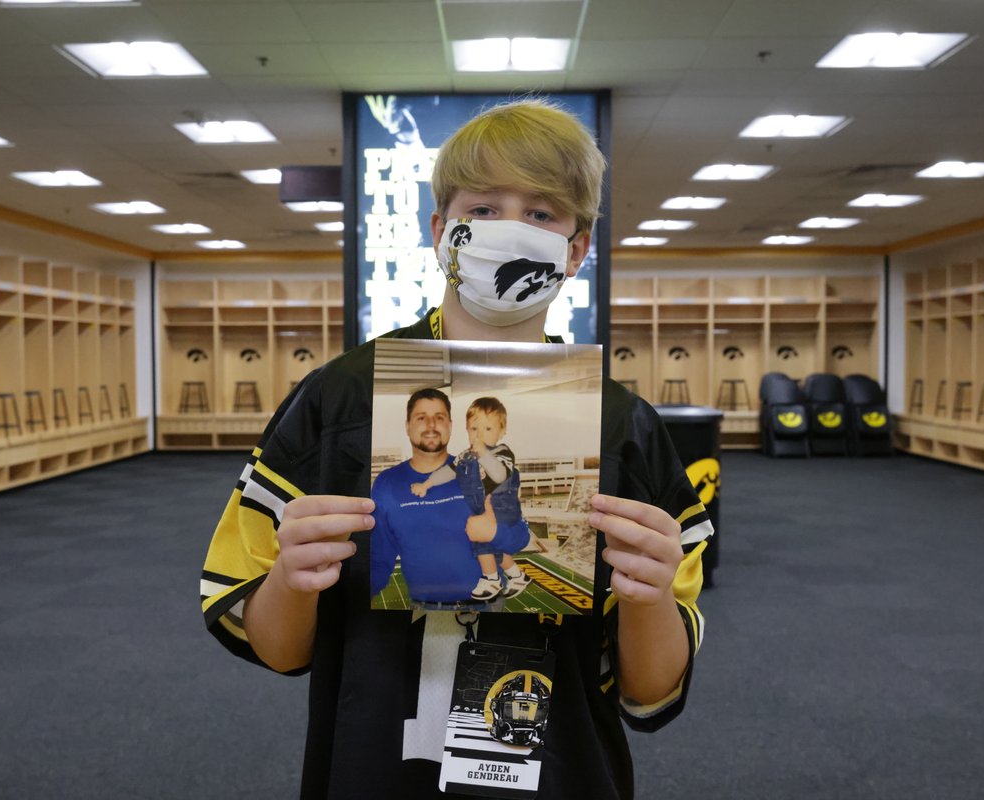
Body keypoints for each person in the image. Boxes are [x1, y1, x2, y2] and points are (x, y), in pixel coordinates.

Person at [200, 98, 714, 800]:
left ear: (577, 248)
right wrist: (292, 577)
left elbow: (649, 692)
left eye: (541, 213)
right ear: (441, 230)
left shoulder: (622, 428)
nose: (511, 229)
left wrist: (651, 595)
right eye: (485, 206)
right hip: (373, 768)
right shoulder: (341, 401)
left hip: (561, 772)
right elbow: (275, 647)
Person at [369, 388, 495, 606]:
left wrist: (497, 528)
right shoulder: (387, 484)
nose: (431, 425)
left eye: (439, 417)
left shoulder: (479, 470)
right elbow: (379, 558)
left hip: (489, 605)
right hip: (424, 608)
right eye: (421, 418)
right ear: (408, 426)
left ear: (450, 426)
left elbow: (515, 529)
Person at [411, 396, 532, 601]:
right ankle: (517, 576)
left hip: (505, 514)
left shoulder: (502, 453)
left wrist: (484, 454)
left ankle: (491, 579)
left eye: (488, 429)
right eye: (474, 429)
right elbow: (448, 472)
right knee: (489, 547)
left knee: (481, 541)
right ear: (466, 430)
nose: (479, 435)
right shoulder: (465, 456)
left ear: (501, 431)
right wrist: (427, 484)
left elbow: (499, 475)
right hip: (481, 512)